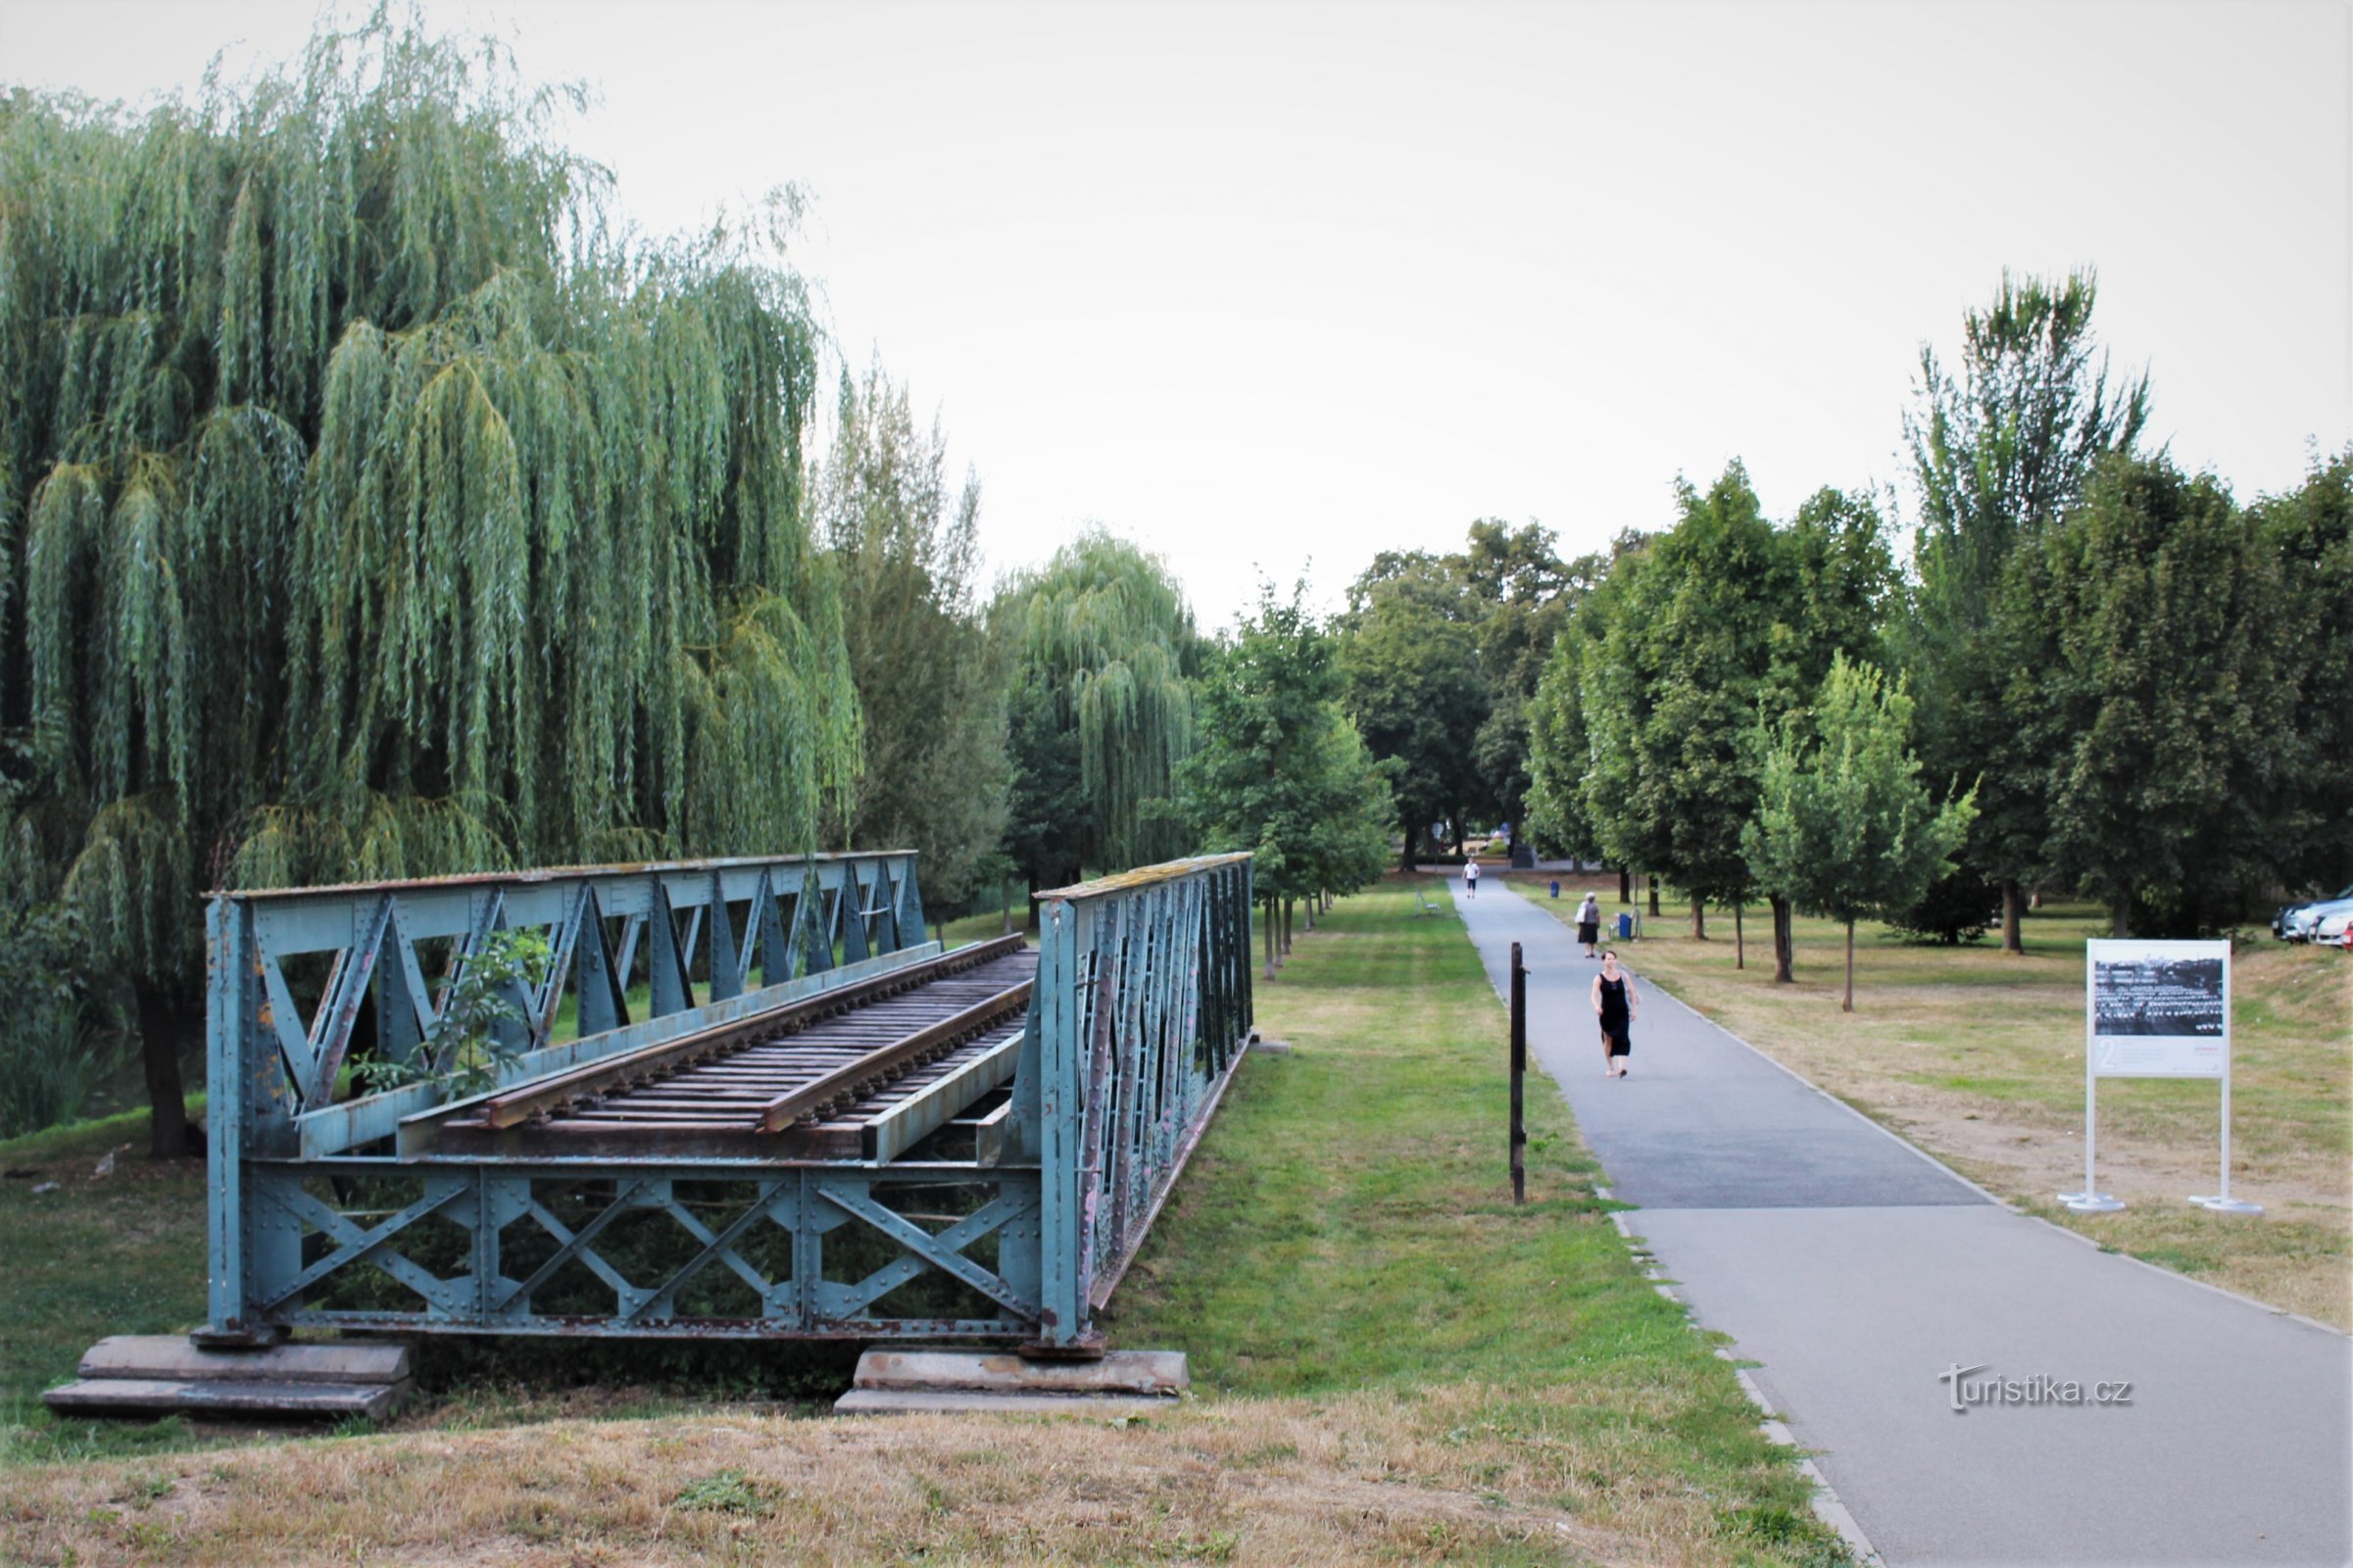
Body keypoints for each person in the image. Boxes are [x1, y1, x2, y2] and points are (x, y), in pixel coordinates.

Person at [1591, 950, 1638, 1078]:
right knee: (1608, 1039)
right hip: (1606, 1014)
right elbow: (1594, 995)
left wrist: (1634, 1009)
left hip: (1622, 1012)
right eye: (1608, 959)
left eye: (1613, 959)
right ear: (1603, 961)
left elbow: (1632, 992)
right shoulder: (1599, 978)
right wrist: (1597, 1006)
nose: (1611, 961)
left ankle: (1622, 1068)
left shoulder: (1623, 975)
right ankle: (1611, 1067)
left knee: (1623, 1037)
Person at [1575, 892, 1601, 957]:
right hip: (1592, 924)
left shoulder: (1583, 905)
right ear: (1593, 899)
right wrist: (1598, 923)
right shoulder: (1595, 906)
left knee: (1587, 939)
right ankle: (1591, 952)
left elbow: (1580, 913)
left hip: (1585, 924)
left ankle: (1587, 952)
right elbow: (1597, 916)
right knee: (1592, 939)